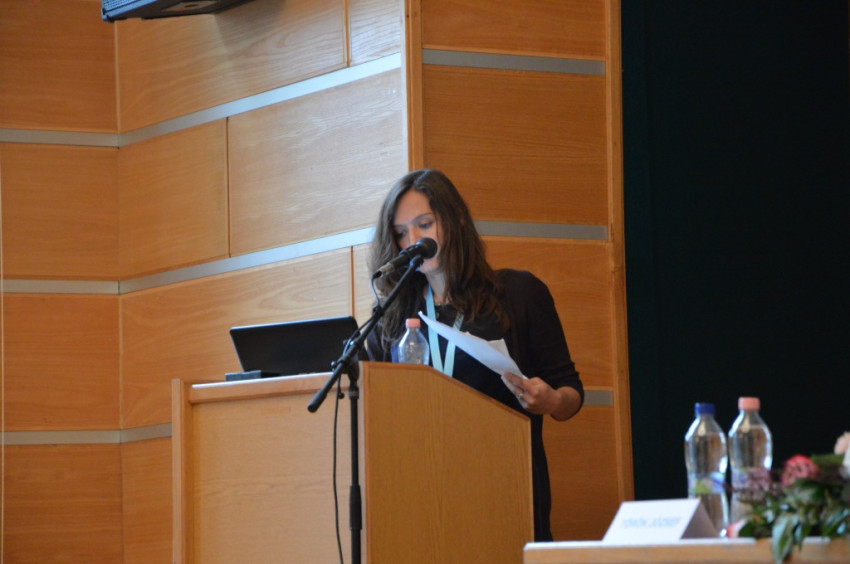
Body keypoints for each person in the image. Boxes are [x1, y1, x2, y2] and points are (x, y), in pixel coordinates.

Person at [365, 169, 584, 541]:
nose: (413, 241)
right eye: (401, 233)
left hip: (502, 488)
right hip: (419, 490)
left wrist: (549, 400)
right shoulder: (391, 315)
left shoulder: (519, 294)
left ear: (456, 221)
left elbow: (571, 395)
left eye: (424, 225)